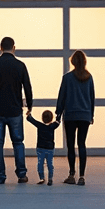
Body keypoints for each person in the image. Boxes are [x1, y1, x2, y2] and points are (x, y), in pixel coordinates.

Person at [0, 36, 33, 184]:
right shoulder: (20, 65)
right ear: (14, 48)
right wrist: (29, 105)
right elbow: (27, 88)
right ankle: (22, 174)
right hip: (15, 111)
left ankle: (0, 176)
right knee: (18, 143)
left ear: (0, 48)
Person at [56, 49, 95, 186]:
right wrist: (91, 114)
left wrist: (58, 113)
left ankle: (71, 174)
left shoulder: (67, 78)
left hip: (71, 115)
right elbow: (92, 97)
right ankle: (82, 177)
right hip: (84, 115)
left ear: (73, 61)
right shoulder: (89, 77)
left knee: (71, 146)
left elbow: (62, 97)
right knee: (82, 145)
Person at [27, 110, 60, 185]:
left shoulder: (40, 125)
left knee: (40, 163)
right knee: (50, 164)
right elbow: (58, 121)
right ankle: (50, 179)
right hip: (50, 148)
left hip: (40, 148)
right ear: (51, 118)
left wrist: (29, 114)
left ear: (42, 118)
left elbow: (31, 120)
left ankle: (42, 178)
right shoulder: (52, 126)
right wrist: (59, 114)